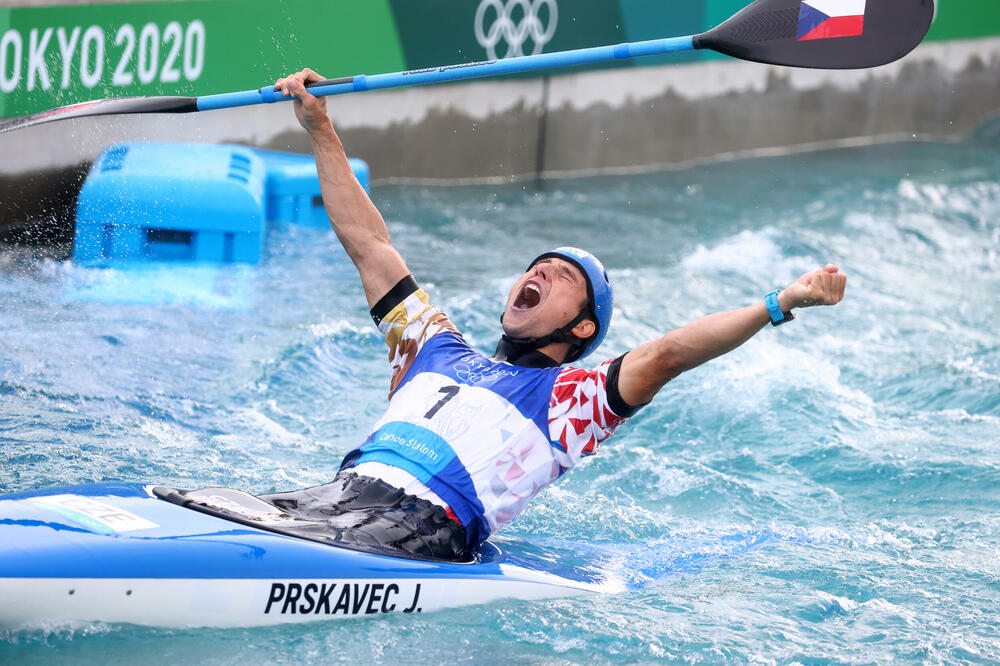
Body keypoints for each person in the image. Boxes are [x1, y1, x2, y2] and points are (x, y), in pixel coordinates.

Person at [263, 69, 847, 561]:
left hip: (419, 527)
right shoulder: (430, 346)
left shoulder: (571, 402)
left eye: (562, 277)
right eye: (537, 266)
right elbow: (370, 245)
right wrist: (320, 127)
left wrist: (779, 303)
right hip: (338, 496)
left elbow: (668, 354)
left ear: (582, 328)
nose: (539, 273)